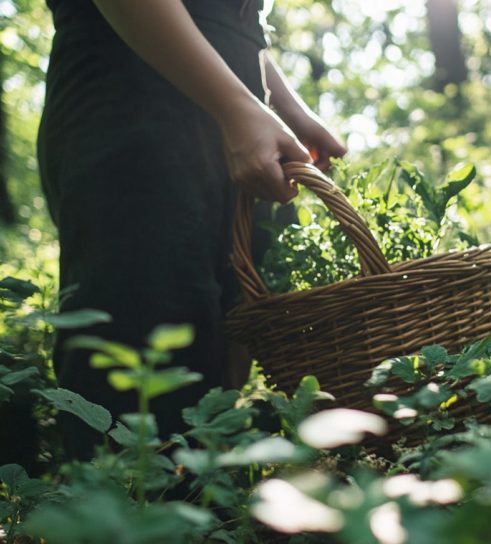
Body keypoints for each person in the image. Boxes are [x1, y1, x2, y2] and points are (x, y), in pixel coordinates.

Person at [37, 0, 346, 459]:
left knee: (223, 347)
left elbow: (225, 20)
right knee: (144, 340)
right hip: (135, 106)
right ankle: (130, 519)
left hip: (234, 117)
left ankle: (206, 510)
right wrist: (236, 107)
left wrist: (284, 107)